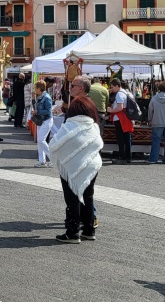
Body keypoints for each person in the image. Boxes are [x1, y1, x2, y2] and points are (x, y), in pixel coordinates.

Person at [52, 94, 103, 244]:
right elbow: (98, 145)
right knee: (88, 197)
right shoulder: (94, 126)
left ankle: (73, 233)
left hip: (70, 167)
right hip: (91, 165)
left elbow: (55, 144)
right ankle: (89, 230)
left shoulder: (69, 125)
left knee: (72, 199)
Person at [108, 78, 133, 165]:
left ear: (117, 86)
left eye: (112, 87)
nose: (112, 89)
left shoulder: (119, 94)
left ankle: (122, 157)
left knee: (121, 139)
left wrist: (111, 110)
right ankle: (128, 157)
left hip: (120, 118)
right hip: (126, 118)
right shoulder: (126, 93)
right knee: (127, 138)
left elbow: (120, 108)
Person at [33, 80, 55, 167]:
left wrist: (37, 112)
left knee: (41, 140)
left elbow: (48, 111)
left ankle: (52, 158)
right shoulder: (42, 96)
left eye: (35, 88)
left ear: (39, 88)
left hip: (46, 120)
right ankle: (42, 161)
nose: (35, 89)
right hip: (43, 120)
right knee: (40, 140)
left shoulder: (46, 97)